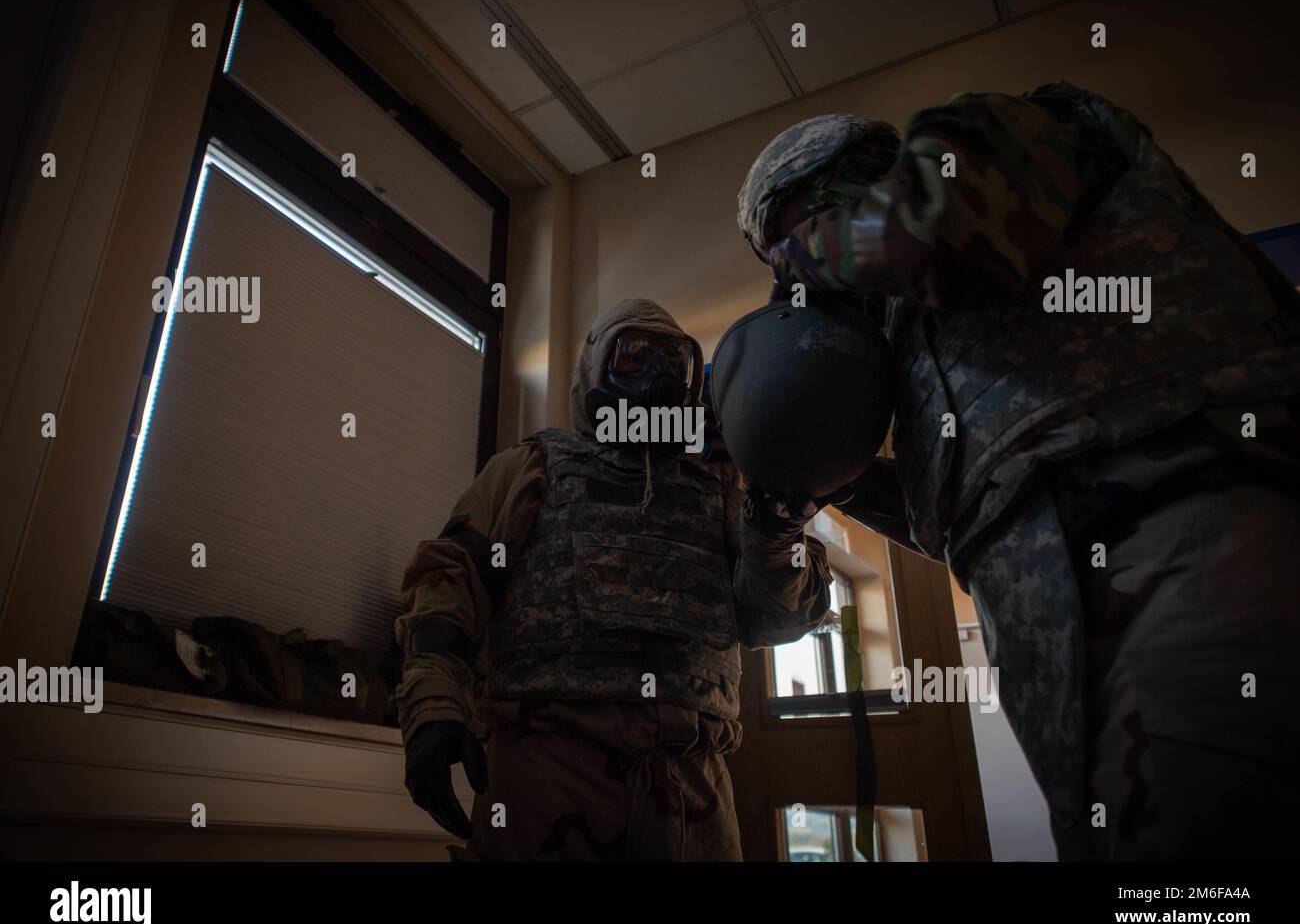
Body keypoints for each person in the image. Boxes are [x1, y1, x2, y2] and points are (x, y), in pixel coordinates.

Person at [735, 84, 1300, 859]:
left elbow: (947, 217)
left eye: (786, 243)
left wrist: (805, 267)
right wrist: (830, 481)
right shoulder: (918, 346)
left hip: (1195, 542)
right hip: (1072, 638)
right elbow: (974, 511)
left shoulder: (1008, 134)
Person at [396, 298, 831, 860]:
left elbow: (777, 618)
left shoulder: (723, 487)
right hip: (548, 772)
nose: (656, 374)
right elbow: (446, 580)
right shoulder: (532, 468)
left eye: (674, 362)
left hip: (692, 788)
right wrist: (432, 708)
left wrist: (776, 529)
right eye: (633, 356)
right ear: (596, 366)